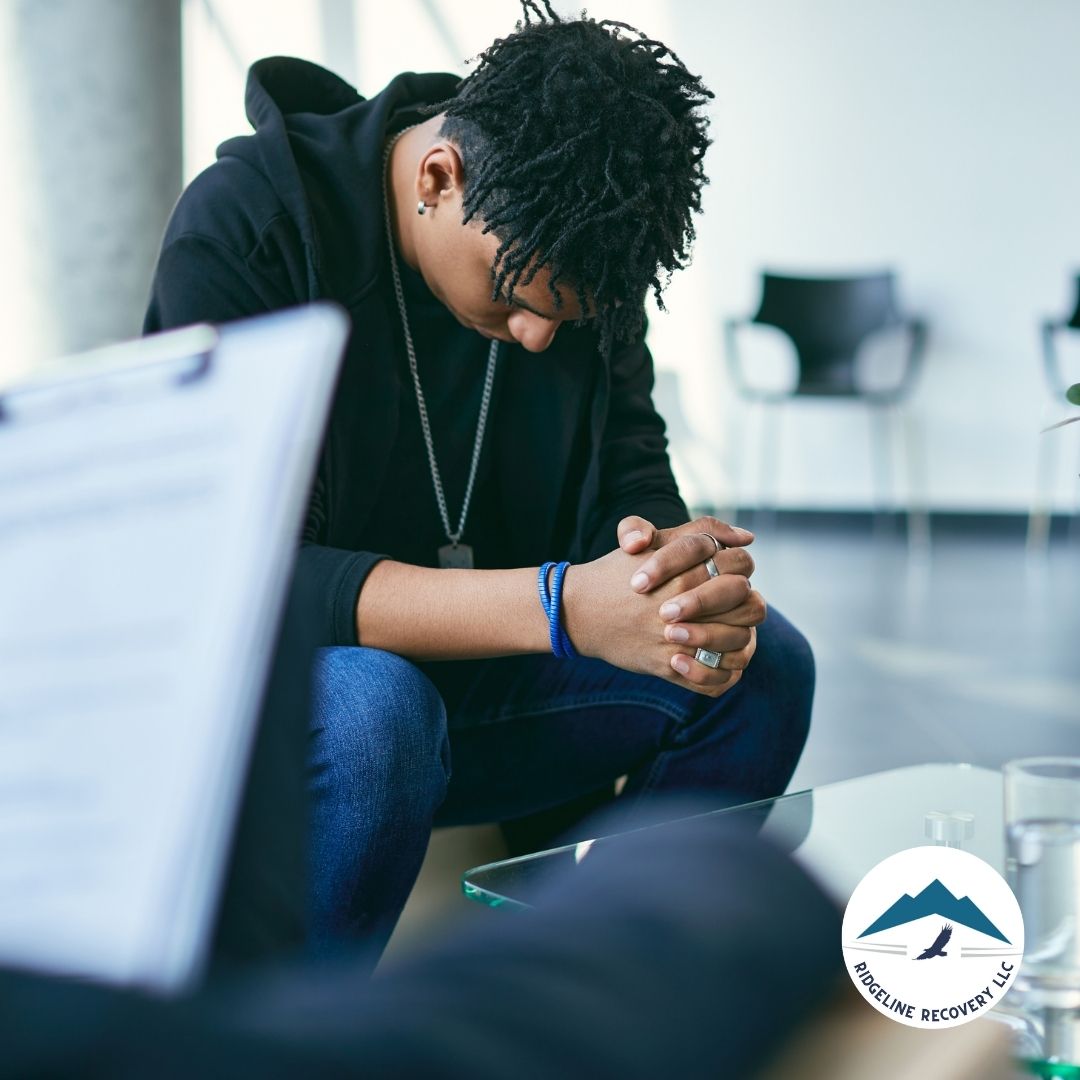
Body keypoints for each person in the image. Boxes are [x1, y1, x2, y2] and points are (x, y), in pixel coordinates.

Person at [144, 1, 815, 961]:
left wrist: (666, 572)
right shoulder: (252, 227)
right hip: (299, 710)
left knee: (761, 667)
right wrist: (557, 608)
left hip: (491, 691)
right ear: (437, 177)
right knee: (378, 713)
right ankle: (289, 1041)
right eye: (515, 298)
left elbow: (628, 462)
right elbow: (227, 577)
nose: (542, 335)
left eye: (568, 318)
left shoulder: (579, 240)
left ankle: (589, 985)